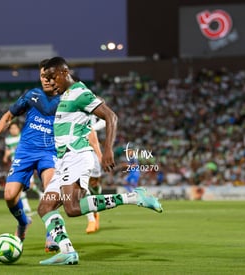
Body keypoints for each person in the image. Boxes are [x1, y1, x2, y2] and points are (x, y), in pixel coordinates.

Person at [37, 57, 163, 265]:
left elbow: (111, 116)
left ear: (62, 72)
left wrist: (107, 151)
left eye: (52, 77)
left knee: (73, 208)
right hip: (63, 160)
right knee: (45, 207)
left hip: (76, 156)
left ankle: (133, 197)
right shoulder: (66, 95)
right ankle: (67, 251)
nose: (51, 83)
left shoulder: (80, 93)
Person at [0, 59, 60, 253]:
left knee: (51, 190)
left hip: (49, 152)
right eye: (43, 76)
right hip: (25, 152)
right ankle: (23, 222)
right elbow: (9, 116)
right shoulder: (32, 95)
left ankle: (52, 234)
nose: (46, 80)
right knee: (9, 196)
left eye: (49, 76)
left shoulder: (66, 99)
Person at [2, 122, 43, 215]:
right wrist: (5, 156)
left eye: (15, 128)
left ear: (18, 129)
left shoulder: (23, 136)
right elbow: (8, 150)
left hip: (26, 163)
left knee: (30, 184)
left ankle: (41, 194)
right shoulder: (8, 140)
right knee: (18, 186)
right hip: (15, 164)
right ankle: (26, 206)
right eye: (11, 129)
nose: (13, 130)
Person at [85, 116, 105, 234]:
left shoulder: (91, 101)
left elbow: (105, 120)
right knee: (81, 184)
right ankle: (90, 219)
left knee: (93, 183)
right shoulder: (65, 102)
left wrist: (92, 128)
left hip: (91, 147)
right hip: (75, 149)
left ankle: (96, 211)